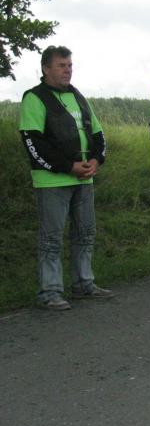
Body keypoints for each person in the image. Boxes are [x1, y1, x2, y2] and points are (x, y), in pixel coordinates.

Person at [18, 46, 114, 310]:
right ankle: (49, 292)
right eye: (61, 65)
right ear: (46, 68)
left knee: (86, 234)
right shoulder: (34, 98)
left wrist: (97, 159)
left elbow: (98, 134)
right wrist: (68, 166)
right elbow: (33, 143)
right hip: (52, 181)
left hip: (84, 179)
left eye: (69, 65)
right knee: (51, 239)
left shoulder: (77, 96)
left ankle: (84, 284)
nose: (67, 70)